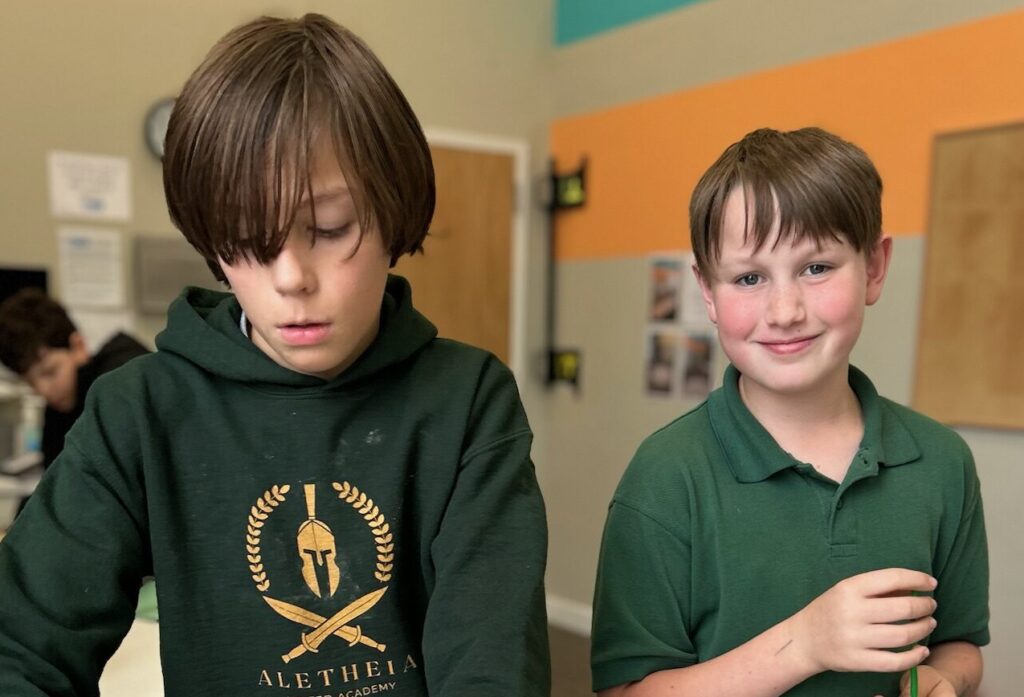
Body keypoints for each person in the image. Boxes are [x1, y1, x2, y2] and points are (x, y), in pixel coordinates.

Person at [0, 14, 549, 696]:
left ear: (393, 214)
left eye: (328, 227)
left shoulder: (468, 400)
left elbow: (493, 667)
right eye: (247, 240)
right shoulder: (136, 412)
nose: (290, 276)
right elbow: (21, 648)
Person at [591, 128, 988, 697]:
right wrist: (804, 644)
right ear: (707, 292)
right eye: (749, 278)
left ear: (874, 267)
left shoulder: (942, 462)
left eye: (817, 267)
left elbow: (960, 645)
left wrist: (945, 681)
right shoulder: (666, 475)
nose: (783, 310)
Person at [0, 288, 149, 485]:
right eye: (30, 382)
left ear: (78, 346)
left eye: (50, 372)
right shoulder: (59, 410)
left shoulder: (122, 378)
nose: (44, 391)